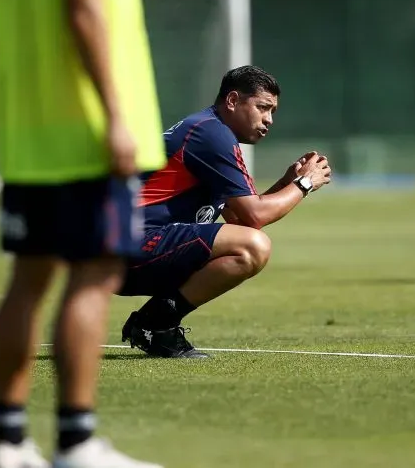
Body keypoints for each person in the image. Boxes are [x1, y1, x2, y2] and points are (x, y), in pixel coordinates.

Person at [0, 0, 166, 467]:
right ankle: (76, 439)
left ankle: (8, 441)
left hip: (27, 128)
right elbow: (83, 4)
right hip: (87, 130)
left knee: (27, 278)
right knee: (94, 275)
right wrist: (117, 116)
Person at [116, 66, 332, 358]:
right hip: (126, 247)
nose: (268, 120)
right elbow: (255, 218)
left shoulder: (211, 131)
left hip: (126, 251)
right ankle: (155, 325)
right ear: (232, 101)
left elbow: (241, 220)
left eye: (273, 112)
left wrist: (286, 184)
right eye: (263, 108)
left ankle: (154, 324)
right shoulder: (211, 134)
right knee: (254, 248)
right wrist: (304, 184)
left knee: (247, 245)